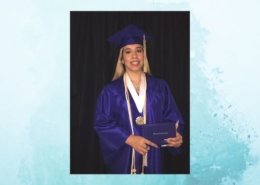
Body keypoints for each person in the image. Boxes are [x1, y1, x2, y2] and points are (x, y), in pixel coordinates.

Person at [94, 24, 184, 174]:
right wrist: (129, 138)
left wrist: (177, 137)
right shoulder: (110, 91)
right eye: (128, 52)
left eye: (139, 50)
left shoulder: (160, 87)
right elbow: (101, 122)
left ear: (144, 55)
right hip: (124, 158)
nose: (134, 56)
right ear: (121, 58)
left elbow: (174, 120)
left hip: (154, 157)